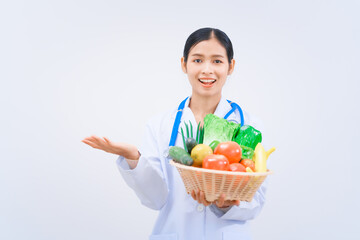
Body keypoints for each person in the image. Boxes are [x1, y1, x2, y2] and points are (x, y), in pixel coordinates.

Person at [82, 27, 268, 240]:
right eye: (197, 60)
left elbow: (256, 202)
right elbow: (155, 199)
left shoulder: (249, 126)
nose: (207, 70)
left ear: (230, 66)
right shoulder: (161, 125)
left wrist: (225, 203)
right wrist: (133, 157)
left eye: (217, 61)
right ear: (184, 64)